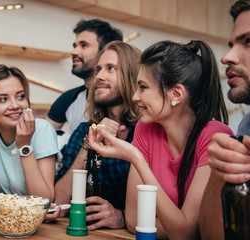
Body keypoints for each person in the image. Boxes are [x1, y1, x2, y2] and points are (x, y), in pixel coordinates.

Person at [88, 40, 233, 239]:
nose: (135, 97)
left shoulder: (216, 137)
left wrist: (136, 158)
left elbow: (184, 233)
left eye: (143, 87)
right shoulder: (145, 128)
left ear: (176, 94)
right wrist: (176, 227)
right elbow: (134, 220)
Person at [47, 41, 142, 230]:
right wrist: (90, 143)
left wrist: (122, 217)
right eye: (98, 69)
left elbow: (160, 200)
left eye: (111, 68)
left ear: (132, 76)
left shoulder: (146, 133)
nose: (99, 76)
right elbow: (59, 200)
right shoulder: (84, 131)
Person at [0, 65, 58, 201]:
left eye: (21, 96)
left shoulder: (42, 129)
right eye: (3, 99)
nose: (15, 105)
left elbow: (44, 200)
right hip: (6, 219)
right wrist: (22, 201)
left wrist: (24, 146)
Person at [199, 1, 250, 239]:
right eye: (231, 45)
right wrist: (218, 175)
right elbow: (213, 236)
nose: (227, 57)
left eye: (248, 42)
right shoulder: (246, 125)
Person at [45, 18, 123, 133]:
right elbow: (42, 136)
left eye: (84, 45)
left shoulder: (129, 101)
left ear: (105, 51)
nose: (74, 52)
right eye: (75, 46)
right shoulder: (68, 99)